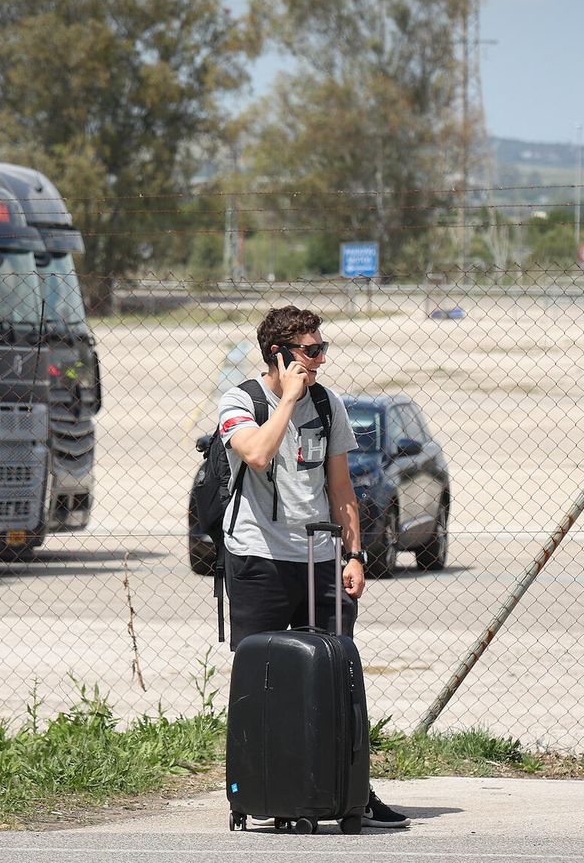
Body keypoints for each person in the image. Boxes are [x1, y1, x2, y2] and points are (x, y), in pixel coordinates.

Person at [216, 304, 409, 829]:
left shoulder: (328, 404)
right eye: (310, 351)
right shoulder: (241, 401)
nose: (320, 361)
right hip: (257, 556)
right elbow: (256, 454)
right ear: (278, 354)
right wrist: (287, 401)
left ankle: (350, 790)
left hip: (319, 559)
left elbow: (341, 487)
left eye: (322, 350)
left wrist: (354, 554)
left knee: (338, 674)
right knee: (262, 678)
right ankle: (260, 788)